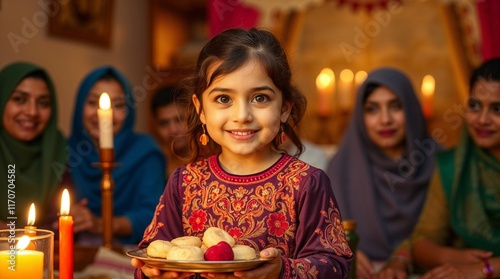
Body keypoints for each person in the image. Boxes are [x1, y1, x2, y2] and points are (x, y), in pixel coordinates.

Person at [131, 28, 353, 279]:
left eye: (260, 97)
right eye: (224, 99)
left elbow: (335, 265)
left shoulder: (305, 183)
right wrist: (154, 273)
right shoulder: (185, 182)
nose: (242, 116)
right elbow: (149, 256)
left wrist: (282, 270)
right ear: (200, 109)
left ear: (284, 109)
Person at [326, 67, 441, 279]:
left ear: (412, 108)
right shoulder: (341, 167)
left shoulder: (440, 163)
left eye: (396, 106)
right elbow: (319, 232)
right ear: (360, 117)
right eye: (372, 109)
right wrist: (342, 251)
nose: (385, 120)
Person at [411, 58, 500, 278]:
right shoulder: (453, 166)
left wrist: (484, 269)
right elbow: (422, 242)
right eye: (474, 106)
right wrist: (455, 259)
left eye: (497, 109)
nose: (482, 119)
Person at [65, 66, 166, 245]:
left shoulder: (145, 152)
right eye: (92, 102)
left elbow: (155, 217)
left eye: (118, 105)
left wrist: (102, 225)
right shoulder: (65, 151)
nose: (104, 114)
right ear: (80, 105)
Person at [0, 62, 66, 228]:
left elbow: (58, 224)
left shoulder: (61, 150)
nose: (32, 112)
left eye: (43, 103)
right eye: (20, 99)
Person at [150, 85, 190, 177]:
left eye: (179, 119)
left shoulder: (214, 159)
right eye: (164, 123)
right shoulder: (155, 165)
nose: (173, 130)